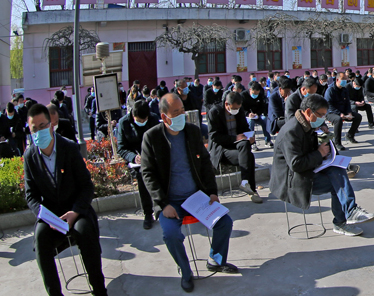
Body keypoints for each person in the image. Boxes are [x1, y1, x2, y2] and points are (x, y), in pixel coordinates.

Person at [141, 93, 237, 292]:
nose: (181, 116)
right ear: (164, 116)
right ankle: (185, 271)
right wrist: (163, 204)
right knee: (170, 234)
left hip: (197, 198)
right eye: (176, 113)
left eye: (182, 111)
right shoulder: (152, 137)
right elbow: (148, 174)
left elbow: (205, 164)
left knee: (225, 222)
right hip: (170, 202)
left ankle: (215, 260)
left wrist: (212, 193)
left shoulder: (192, 132)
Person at [25, 103, 109, 296]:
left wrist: (75, 212)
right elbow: (31, 196)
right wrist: (45, 216)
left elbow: (86, 186)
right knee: (40, 237)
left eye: (43, 125)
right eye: (34, 128)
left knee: (84, 231)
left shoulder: (68, 148)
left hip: (76, 210)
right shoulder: (30, 156)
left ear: (51, 125)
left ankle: (99, 289)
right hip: (51, 216)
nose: (39, 131)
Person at [270, 94, 374, 237]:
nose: (322, 119)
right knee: (336, 184)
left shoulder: (307, 125)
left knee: (337, 171)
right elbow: (296, 164)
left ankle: (350, 212)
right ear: (308, 112)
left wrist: (324, 145)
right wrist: (319, 154)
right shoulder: (292, 131)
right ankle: (343, 220)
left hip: (308, 169)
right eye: (320, 115)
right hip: (292, 179)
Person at [206, 91, 261, 203]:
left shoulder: (239, 111)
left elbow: (245, 128)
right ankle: (250, 188)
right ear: (227, 104)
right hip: (222, 149)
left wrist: (250, 136)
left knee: (246, 146)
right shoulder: (214, 112)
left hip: (239, 146)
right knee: (249, 157)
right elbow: (214, 136)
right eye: (234, 108)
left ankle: (246, 184)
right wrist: (235, 138)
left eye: (238, 108)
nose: (236, 111)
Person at [115, 100, 160, 229]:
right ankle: (147, 213)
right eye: (139, 120)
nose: (142, 122)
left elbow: (159, 140)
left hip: (153, 158)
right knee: (142, 179)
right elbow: (121, 148)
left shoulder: (153, 119)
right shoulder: (124, 123)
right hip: (137, 162)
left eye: (144, 119)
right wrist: (134, 158)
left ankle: (161, 208)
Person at [326, 74, 362, 147]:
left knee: (358, 116)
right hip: (331, 112)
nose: (345, 81)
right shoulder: (330, 90)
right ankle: (338, 142)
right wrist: (339, 113)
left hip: (343, 111)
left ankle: (350, 135)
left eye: (346, 79)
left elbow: (347, 103)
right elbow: (328, 105)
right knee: (338, 120)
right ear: (337, 80)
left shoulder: (344, 90)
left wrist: (349, 112)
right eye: (343, 79)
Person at [243, 81, 271, 150]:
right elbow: (241, 108)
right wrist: (248, 114)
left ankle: (267, 140)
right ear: (250, 90)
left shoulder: (260, 95)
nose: (255, 95)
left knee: (264, 119)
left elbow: (262, 107)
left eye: (257, 94)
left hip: (257, 115)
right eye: (253, 93)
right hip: (247, 116)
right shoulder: (243, 95)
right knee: (250, 123)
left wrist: (257, 114)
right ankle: (252, 143)